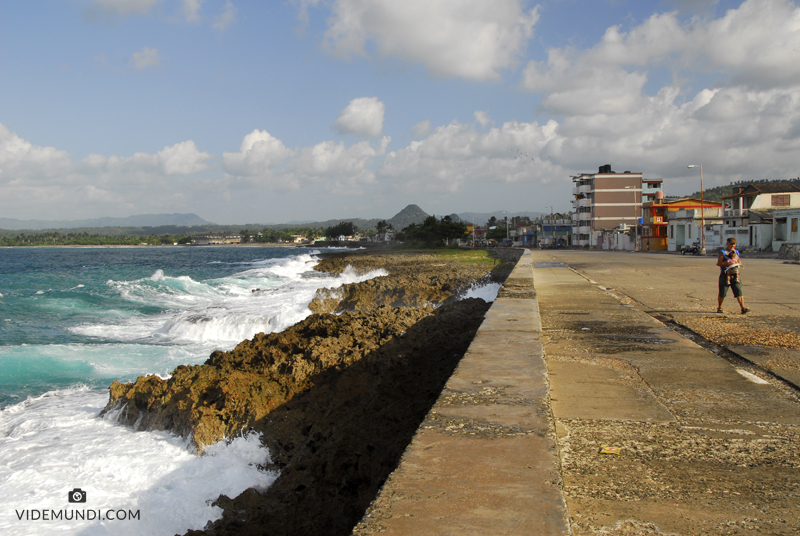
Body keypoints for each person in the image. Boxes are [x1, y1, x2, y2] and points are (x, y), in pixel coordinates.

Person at [717, 238, 749, 314]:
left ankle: (743, 308)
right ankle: (720, 307)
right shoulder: (723, 253)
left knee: (739, 291)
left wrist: (738, 263)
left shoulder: (736, 252)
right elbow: (719, 263)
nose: (732, 245)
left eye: (734, 244)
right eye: (731, 244)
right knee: (723, 292)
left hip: (735, 273)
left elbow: (739, 260)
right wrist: (728, 263)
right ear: (727, 244)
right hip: (725, 273)